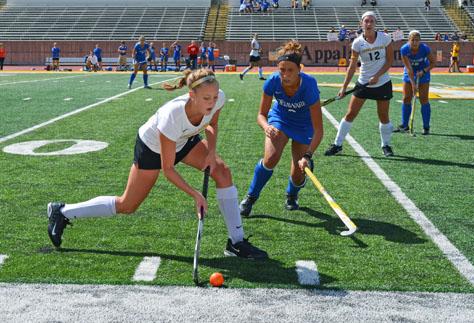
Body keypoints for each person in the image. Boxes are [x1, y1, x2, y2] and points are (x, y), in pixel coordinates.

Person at [47, 68, 268, 260]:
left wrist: (211, 152)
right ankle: (63, 211)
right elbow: (168, 169)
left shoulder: (218, 98)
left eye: (213, 97)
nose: (211, 103)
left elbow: (212, 124)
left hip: (185, 139)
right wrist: (195, 194)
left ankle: (236, 242)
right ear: (191, 95)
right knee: (128, 205)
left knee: (222, 172)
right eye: (205, 99)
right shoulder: (171, 115)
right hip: (152, 147)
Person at [239, 40, 323, 216]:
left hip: (303, 124)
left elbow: (318, 130)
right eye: (282, 70)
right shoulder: (272, 81)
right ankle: (251, 197)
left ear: (300, 69)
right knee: (270, 159)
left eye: (290, 70)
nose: (285, 75)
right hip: (281, 119)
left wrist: (308, 155)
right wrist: (266, 126)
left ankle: (291, 195)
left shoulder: (309, 86)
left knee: (298, 173)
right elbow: (261, 114)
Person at [324, 11, 395, 157]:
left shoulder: (385, 38)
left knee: (383, 116)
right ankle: (337, 144)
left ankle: (386, 145)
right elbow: (352, 67)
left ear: (375, 23)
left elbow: (389, 61)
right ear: (361, 23)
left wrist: (377, 76)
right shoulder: (357, 43)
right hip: (363, 83)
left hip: (382, 82)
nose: (368, 24)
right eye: (366, 21)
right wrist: (344, 87)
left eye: (371, 21)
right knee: (350, 114)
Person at [394, 30, 435, 135]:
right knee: (406, 97)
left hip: (423, 72)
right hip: (410, 73)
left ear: (420, 41)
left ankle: (426, 127)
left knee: (424, 99)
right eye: (413, 40)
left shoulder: (425, 49)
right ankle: (405, 125)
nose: (415, 42)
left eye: (417, 40)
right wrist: (413, 84)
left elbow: (433, 62)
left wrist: (424, 71)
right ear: (409, 40)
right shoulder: (404, 49)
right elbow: (409, 69)